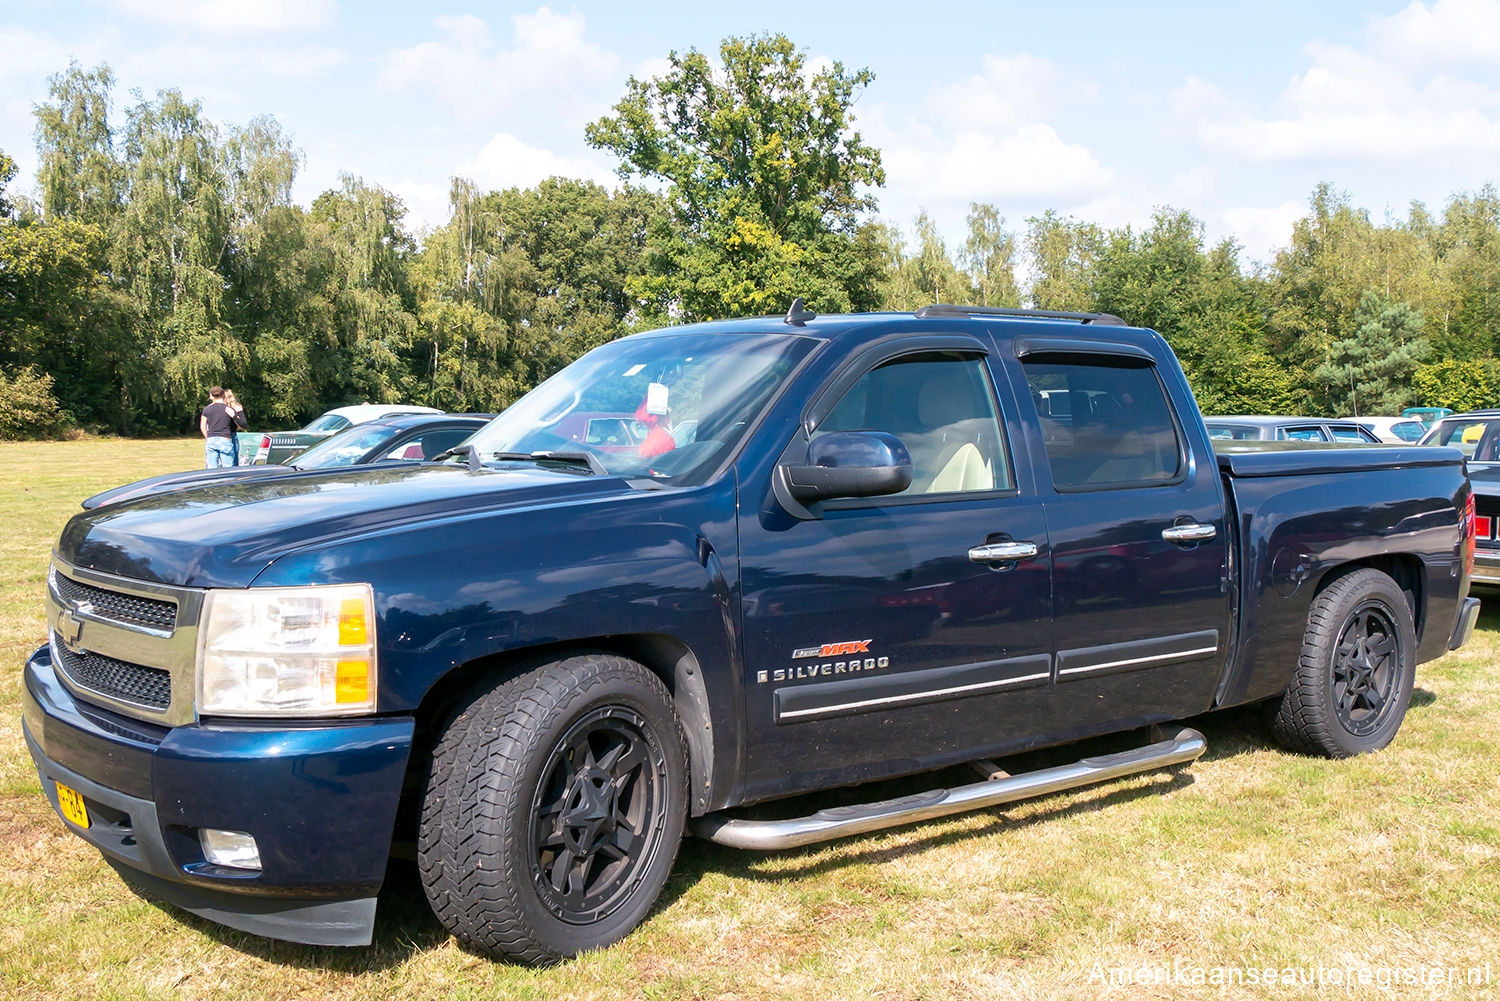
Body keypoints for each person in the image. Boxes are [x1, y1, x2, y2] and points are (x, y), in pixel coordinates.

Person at [199, 387, 241, 468]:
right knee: (228, 468)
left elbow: (202, 426)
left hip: (211, 438)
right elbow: (238, 424)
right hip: (225, 438)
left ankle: (212, 480)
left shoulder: (207, 409)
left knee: (211, 468)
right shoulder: (228, 409)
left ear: (211, 396)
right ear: (223, 396)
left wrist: (207, 437)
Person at [222, 389, 247, 465]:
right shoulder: (221, 408)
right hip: (223, 435)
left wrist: (234, 416)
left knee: (233, 460)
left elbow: (243, 424)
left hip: (231, 435)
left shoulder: (237, 408)